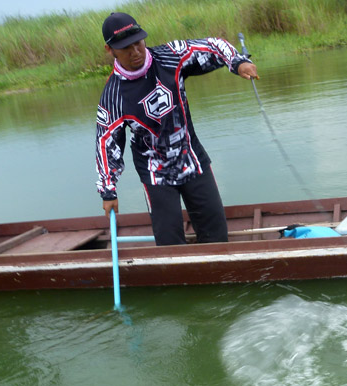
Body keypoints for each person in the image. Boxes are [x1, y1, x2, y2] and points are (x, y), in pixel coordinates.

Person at [95, 12, 258, 245]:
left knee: (217, 238)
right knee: (169, 245)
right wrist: (108, 190)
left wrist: (237, 62)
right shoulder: (112, 97)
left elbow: (214, 45)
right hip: (155, 171)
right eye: (126, 48)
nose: (136, 52)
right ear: (110, 50)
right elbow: (105, 142)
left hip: (191, 158)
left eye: (138, 43)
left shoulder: (171, 56)